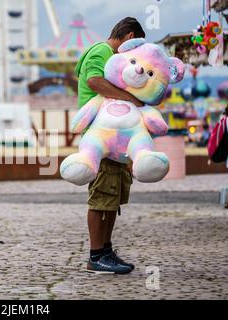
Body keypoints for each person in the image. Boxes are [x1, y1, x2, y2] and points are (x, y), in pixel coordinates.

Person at [75, 17, 146, 274]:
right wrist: (129, 98)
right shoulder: (102, 51)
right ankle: (95, 255)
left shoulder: (112, 57)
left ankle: (106, 250)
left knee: (113, 198)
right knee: (102, 196)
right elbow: (94, 81)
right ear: (129, 36)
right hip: (100, 137)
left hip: (116, 138)